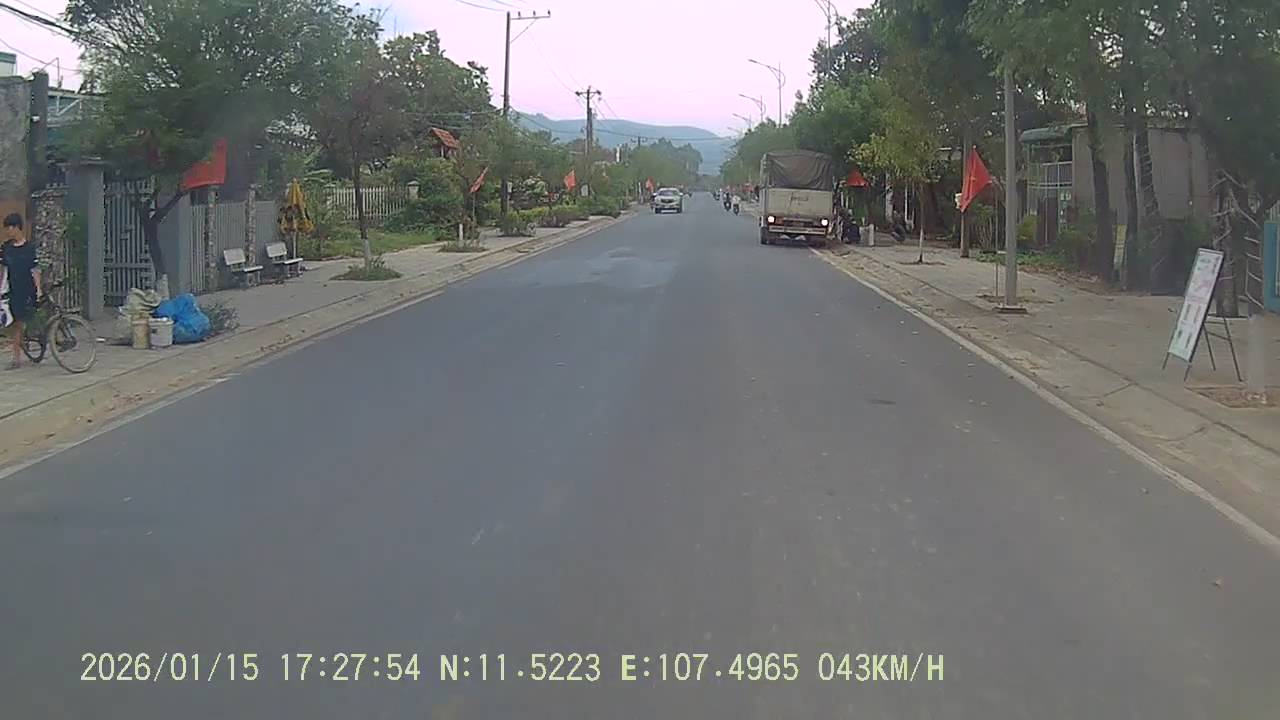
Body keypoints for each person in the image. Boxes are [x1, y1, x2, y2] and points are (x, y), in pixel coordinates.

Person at [1, 213, 41, 370]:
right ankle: (16, 357)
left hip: (27, 288)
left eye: (9, 228)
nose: (7, 231)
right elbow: (3, 269)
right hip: (13, 289)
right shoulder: (6, 248)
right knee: (15, 323)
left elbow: (35, 269)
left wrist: (38, 288)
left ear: (17, 227)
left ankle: (30, 343)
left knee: (25, 319)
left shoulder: (29, 248)